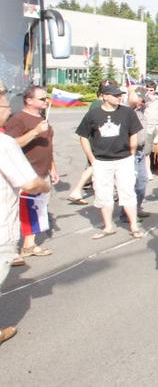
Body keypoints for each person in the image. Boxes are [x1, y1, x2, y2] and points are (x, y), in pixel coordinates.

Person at [0, 87, 52, 346]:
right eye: (5, 105)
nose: (8, 110)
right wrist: (44, 186)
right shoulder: (5, 141)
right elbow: (29, 183)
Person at [75, 84, 144, 240]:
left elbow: (134, 133)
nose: (119, 97)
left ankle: (134, 225)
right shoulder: (93, 114)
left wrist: (132, 153)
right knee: (103, 193)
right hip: (101, 160)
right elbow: (83, 136)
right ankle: (108, 226)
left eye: (120, 95)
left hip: (124, 159)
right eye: (115, 95)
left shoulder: (127, 112)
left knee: (127, 192)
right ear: (104, 96)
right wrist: (91, 158)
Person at [4, 86, 58, 265]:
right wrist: (34, 132)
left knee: (36, 208)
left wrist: (52, 167)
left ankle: (29, 244)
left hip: (42, 170)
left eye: (46, 98)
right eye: (42, 99)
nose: (46, 101)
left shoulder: (43, 118)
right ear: (29, 100)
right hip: (26, 173)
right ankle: (10, 251)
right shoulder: (18, 119)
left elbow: (48, 145)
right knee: (16, 212)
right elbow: (10, 145)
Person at [65, 79, 119, 205]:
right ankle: (77, 190)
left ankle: (87, 190)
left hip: (96, 141)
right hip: (97, 142)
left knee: (95, 167)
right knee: (95, 165)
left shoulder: (96, 103)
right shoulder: (99, 105)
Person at [124, 86, 152, 221]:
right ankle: (126, 214)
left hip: (140, 151)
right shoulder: (126, 110)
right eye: (142, 100)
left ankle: (137, 207)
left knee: (142, 182)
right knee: (130, 184)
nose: (143, 102)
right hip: (130, 151)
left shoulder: (141, 110)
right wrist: (132, 93)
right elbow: (130, 100)